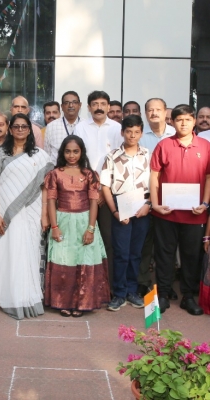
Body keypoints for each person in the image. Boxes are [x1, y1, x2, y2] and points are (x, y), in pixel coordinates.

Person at [0, 113, 53, 319]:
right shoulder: (1, 154)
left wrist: (44, 215)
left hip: (32, 212)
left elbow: (44, 188)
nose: (19, 130)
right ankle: (10, 298)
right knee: (9, 252)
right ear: (10, 129)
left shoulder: (40, 155)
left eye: (23, 127)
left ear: (29, 129)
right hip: (6, 212)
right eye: (16, 126)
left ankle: (29, 297)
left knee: (29, 252)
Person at [150, 104, 210, 316]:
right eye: (178, 119)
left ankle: (188, 297)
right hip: (165, 212)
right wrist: (155, 204)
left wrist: (205, 203)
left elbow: (209, 177)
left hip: (195, 213)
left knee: (191, 256)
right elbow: (154, 176)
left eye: (187, 119)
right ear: (172, 122)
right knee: (164, 255)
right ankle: (163, 295)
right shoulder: (164, 145)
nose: (183, 123)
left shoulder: (206, 146)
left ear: (194, 121)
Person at [44, 135, 109, 317]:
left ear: (82, 152)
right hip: (62, 221)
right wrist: (54, 226)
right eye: (68, 151)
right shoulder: (55, 174)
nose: (71, 155)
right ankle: (63, 302)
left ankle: (82, 302)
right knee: (64, 261)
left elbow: (94, 202)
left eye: (75, 151)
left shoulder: (89, 174)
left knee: (83, 261)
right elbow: (51, 201)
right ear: (62, 153)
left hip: (84, 221)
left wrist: (91, 228)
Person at [100, 115, 151, 311]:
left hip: (142, 210)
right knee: (121, 253)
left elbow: (155, 184)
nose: (132, 135)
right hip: (120, 210)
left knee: (136, 253)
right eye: (128, 131)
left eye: (136, 132)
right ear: (122, 132)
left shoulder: (148, 155)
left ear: (141, 132)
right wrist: (114, 211)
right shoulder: (112, 156)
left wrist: (149, 204)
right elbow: (105, 186)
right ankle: (119, 293)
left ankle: (132, 291)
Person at [75, 90, 123, 291]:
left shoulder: (117, 128)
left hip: (109, 193)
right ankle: (84, 283)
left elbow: (120, 161)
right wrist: (94, 188)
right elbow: (78, 159)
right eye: (94, 103)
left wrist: (104, 191)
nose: (99, 107)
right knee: (84, 237)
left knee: (109, 240)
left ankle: (107, 286)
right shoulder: (81, 127)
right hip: (84, 191)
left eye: (103, 103)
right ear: (88, 107)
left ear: (108, 106)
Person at [137, 98, 176, 298]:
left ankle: (164, 287)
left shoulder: (175, 134)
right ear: (145, 114)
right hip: (145, 196)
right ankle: (143, 282)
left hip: (171, 198)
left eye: (157, 110)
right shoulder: (140, 137)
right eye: (150, 110)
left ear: (165, 111)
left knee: (165, 246)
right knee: (145, 243)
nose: (154, 113)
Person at [44, 91, 83, 165]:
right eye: (67, 103)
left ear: (80, 105)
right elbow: (47, 155)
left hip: (80, 172)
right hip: (57, 173)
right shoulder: (51, 126)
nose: (71, 105)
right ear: (62, 106)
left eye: (74, 102)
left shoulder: (86, 125)